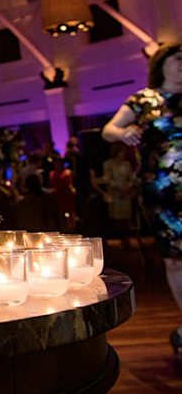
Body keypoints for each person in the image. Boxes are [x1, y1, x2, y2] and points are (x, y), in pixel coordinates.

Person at [102, 42, 182, 367]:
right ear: (161, 64)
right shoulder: (144, 99)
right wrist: (124, 133)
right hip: (161, 192)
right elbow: (109, 130)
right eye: (178, 59)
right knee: (175, 259)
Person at [100, 143, 136, 234]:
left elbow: (131, 178)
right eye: (122, 152)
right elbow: (108, 179)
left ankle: (128, 235)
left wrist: (128, 187)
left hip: (126, 193)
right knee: (117, 217)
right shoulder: (108, 164)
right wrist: (119, 187)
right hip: (115, 194)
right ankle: (119, 236)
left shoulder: (126, 164)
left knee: (127, 216)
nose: (123, 154)